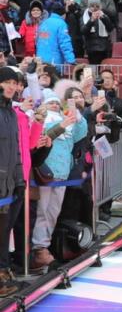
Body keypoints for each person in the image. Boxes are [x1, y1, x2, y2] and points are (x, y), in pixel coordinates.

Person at [30, 89, 87, 265]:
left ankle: (44, 246)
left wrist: (76, 114)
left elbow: (80, 132)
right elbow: (43, 137)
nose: (54, 105)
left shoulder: (66, 121)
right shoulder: (42, 121)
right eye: (50, 102)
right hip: (45, 173)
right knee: (43, 212)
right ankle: (39, 249)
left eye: (56, 102)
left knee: (53, 212)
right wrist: (62, 124)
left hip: (62, 173)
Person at [0, 68, 23, 295]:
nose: (10, 86)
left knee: (3, 232)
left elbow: (15, 150)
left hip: (8, 184)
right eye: (5, 82)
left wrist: (19, 180)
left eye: (13, 83)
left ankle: (3, 273)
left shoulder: (11, 113)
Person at [35, 0, 74, 66]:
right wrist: (71, 60)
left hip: (40, 60)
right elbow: (65, 44)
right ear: (63, 14)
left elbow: (37, 41)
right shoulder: (61, 24)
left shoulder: (44, 23)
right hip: (54, 62)